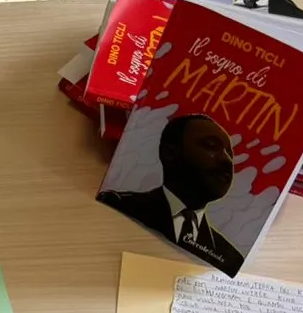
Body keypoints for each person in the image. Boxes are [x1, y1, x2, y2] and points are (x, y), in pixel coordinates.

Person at [97, 114, 246, 275]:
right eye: (211, 146)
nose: (227, 160)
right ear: (170, 152)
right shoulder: (118, 204)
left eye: (230, 154)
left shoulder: (230, 259)